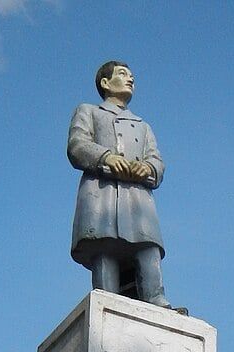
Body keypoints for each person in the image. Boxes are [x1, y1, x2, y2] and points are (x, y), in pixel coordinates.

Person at [67, 61, 172, 307]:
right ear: (105, 82)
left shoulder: (143, 125)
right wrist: (106, 157)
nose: (130, 79)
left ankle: (155, 297)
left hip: (137, 196)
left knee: (148, 245)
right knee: (106, 247)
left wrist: (148, 168)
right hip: (102, 193)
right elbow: (77, 145)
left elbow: (156, 159)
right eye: (123, 74)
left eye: (132, 75)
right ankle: (108, 299)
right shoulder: (89, 111)